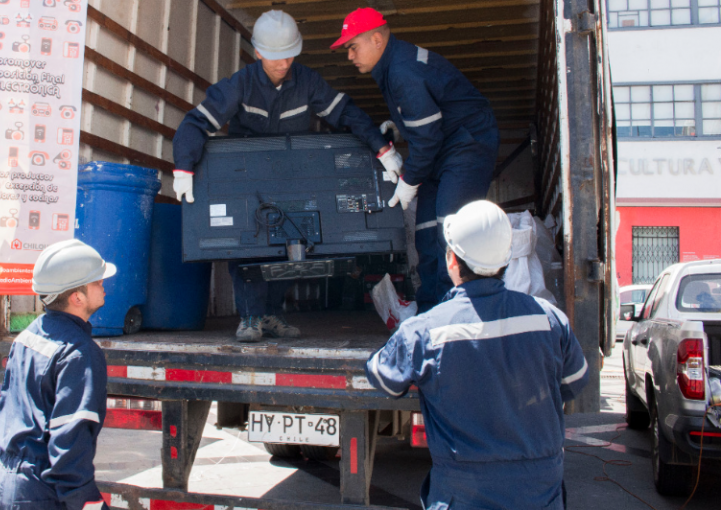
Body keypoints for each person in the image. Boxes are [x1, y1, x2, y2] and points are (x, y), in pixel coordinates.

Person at [172, 9, 403, 342]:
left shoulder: (307, 82)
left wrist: (382, 148)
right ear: (259, 53)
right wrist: (183, 168)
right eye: (277, 57)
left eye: (290, 55)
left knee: (290, 241)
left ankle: (271, 314)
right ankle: (250, 317)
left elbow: (347, 114)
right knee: (247, 245)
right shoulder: (240, 84)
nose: (284, 64)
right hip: (248, 178)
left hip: (292, 176)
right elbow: (196, 123)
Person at [365, 201, 589, 509]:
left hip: (462, 492)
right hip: (538, 491)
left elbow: (383, 378)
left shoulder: (424, 331)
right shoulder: (549, 320)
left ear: (452, 260)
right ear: (506, 259)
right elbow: (574, 382)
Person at [331, 8, 500, 313]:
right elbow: (428, 121)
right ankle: (430, 310)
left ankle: (454, 314)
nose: (350, 55)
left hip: (466, 146)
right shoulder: (393, 64)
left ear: (377, 39)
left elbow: (428, 138)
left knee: (451, 233)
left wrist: (408, 183)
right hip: (442, 149)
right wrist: (402, 124)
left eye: (353, 46)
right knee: (425, 234)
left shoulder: (401, 71)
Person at [0, 239, 114, 510]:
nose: (104, 285)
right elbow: (70, 434)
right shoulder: (78, 352)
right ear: (76, 298)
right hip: (41, 492)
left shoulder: (27, 337)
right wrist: (86, 500)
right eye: (97, 281)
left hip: (5, 482)